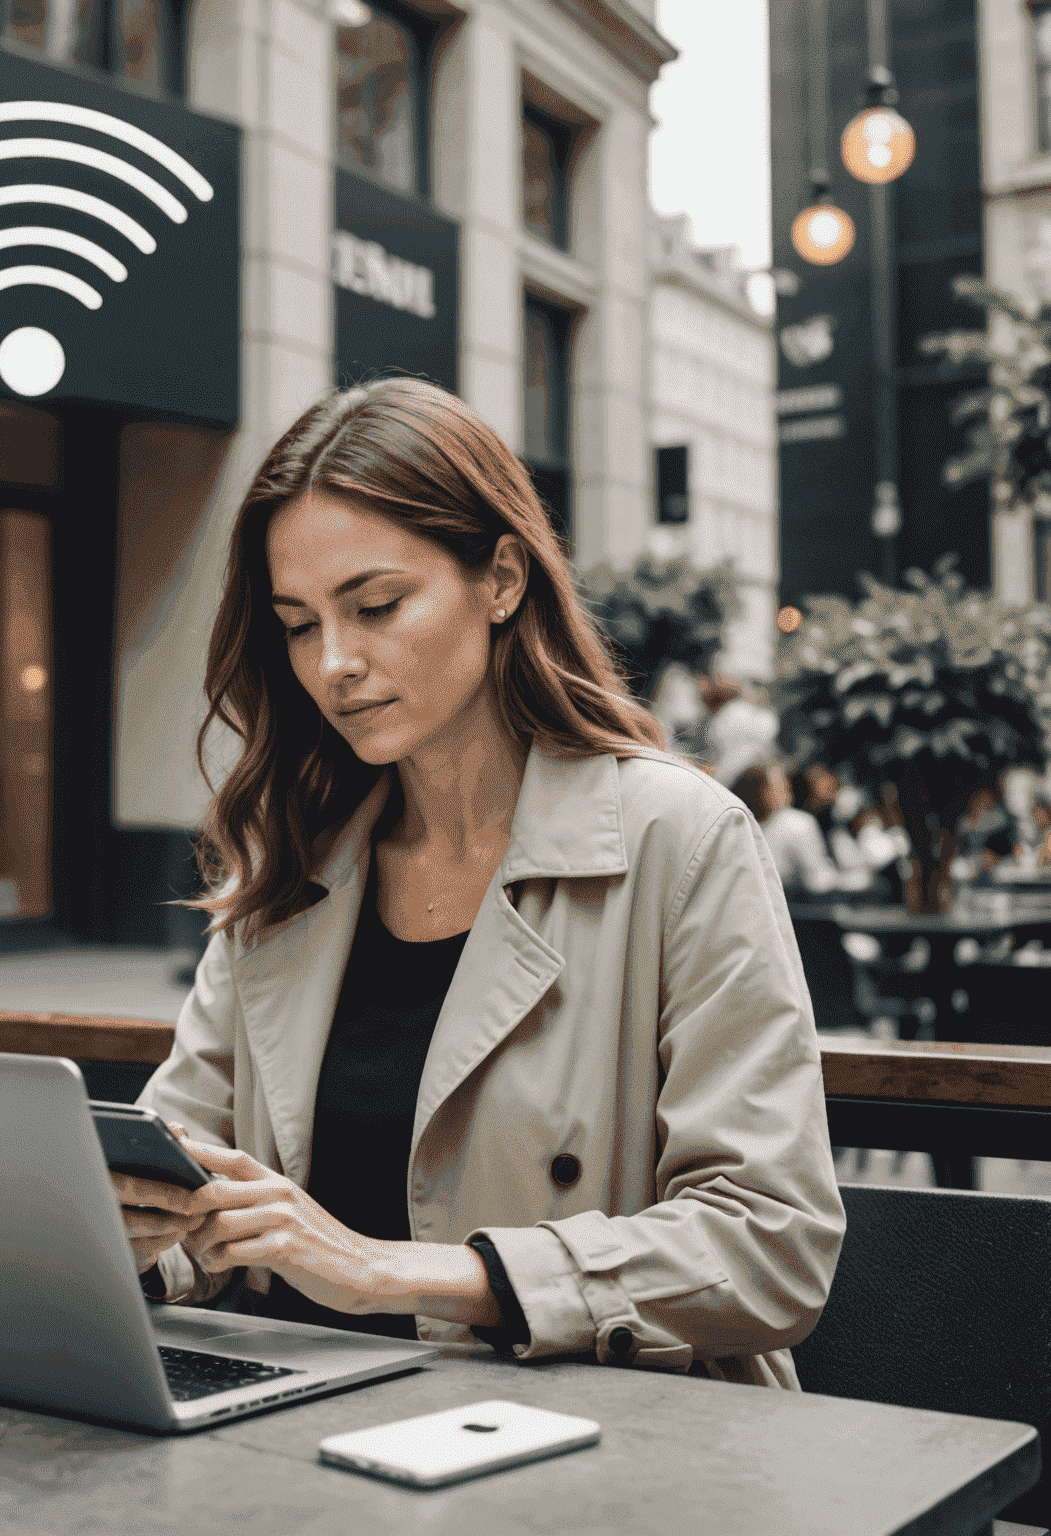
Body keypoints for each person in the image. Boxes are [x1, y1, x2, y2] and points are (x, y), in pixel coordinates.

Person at [112, 379, 844, 1389]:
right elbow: (183, 1179)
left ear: (501, 579)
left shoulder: (678, 840)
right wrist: (138, 1229)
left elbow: (772, 1242)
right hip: (301, 1429)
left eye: (376, 606)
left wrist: (397, 1272)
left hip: (602, 1447)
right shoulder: (297, 866)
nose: (333, 664)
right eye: (296, 622)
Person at [732, 763, 870, 899]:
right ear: (764, 792)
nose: (787, 788)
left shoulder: (739, 826)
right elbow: (819, 883)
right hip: (793, 913)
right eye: (780, 784)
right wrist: (857, 879)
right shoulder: (793, 822)